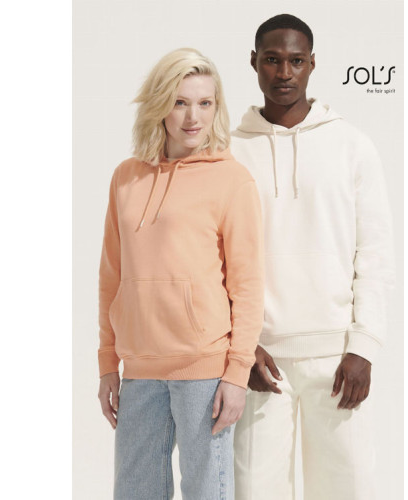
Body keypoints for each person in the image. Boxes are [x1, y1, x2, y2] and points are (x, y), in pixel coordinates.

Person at [231, 14, 395, 500]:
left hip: (338, 359)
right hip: (260, 361)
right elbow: (211, 257)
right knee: (254, 492)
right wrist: (240, 345)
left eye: (296, 61)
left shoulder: (352, 146)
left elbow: (375, 252)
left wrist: (363, 345)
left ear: (312, 64)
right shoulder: (228, 150)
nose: (284, 73)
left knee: (349, 490)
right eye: (272, 60)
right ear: (254, 62)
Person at [97, 48, 264, 500]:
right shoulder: (126, 178)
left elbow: (248, 286)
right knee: (134, 492)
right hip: (139, 367)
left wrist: (236, 373)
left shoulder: (232, 180)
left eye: (205, 103)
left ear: (217, 106)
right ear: (160, 105)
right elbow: (111, 277)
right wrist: (107, 362)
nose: (194, 117)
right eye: (180, 102)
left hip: (204, 369)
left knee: (207, 492)